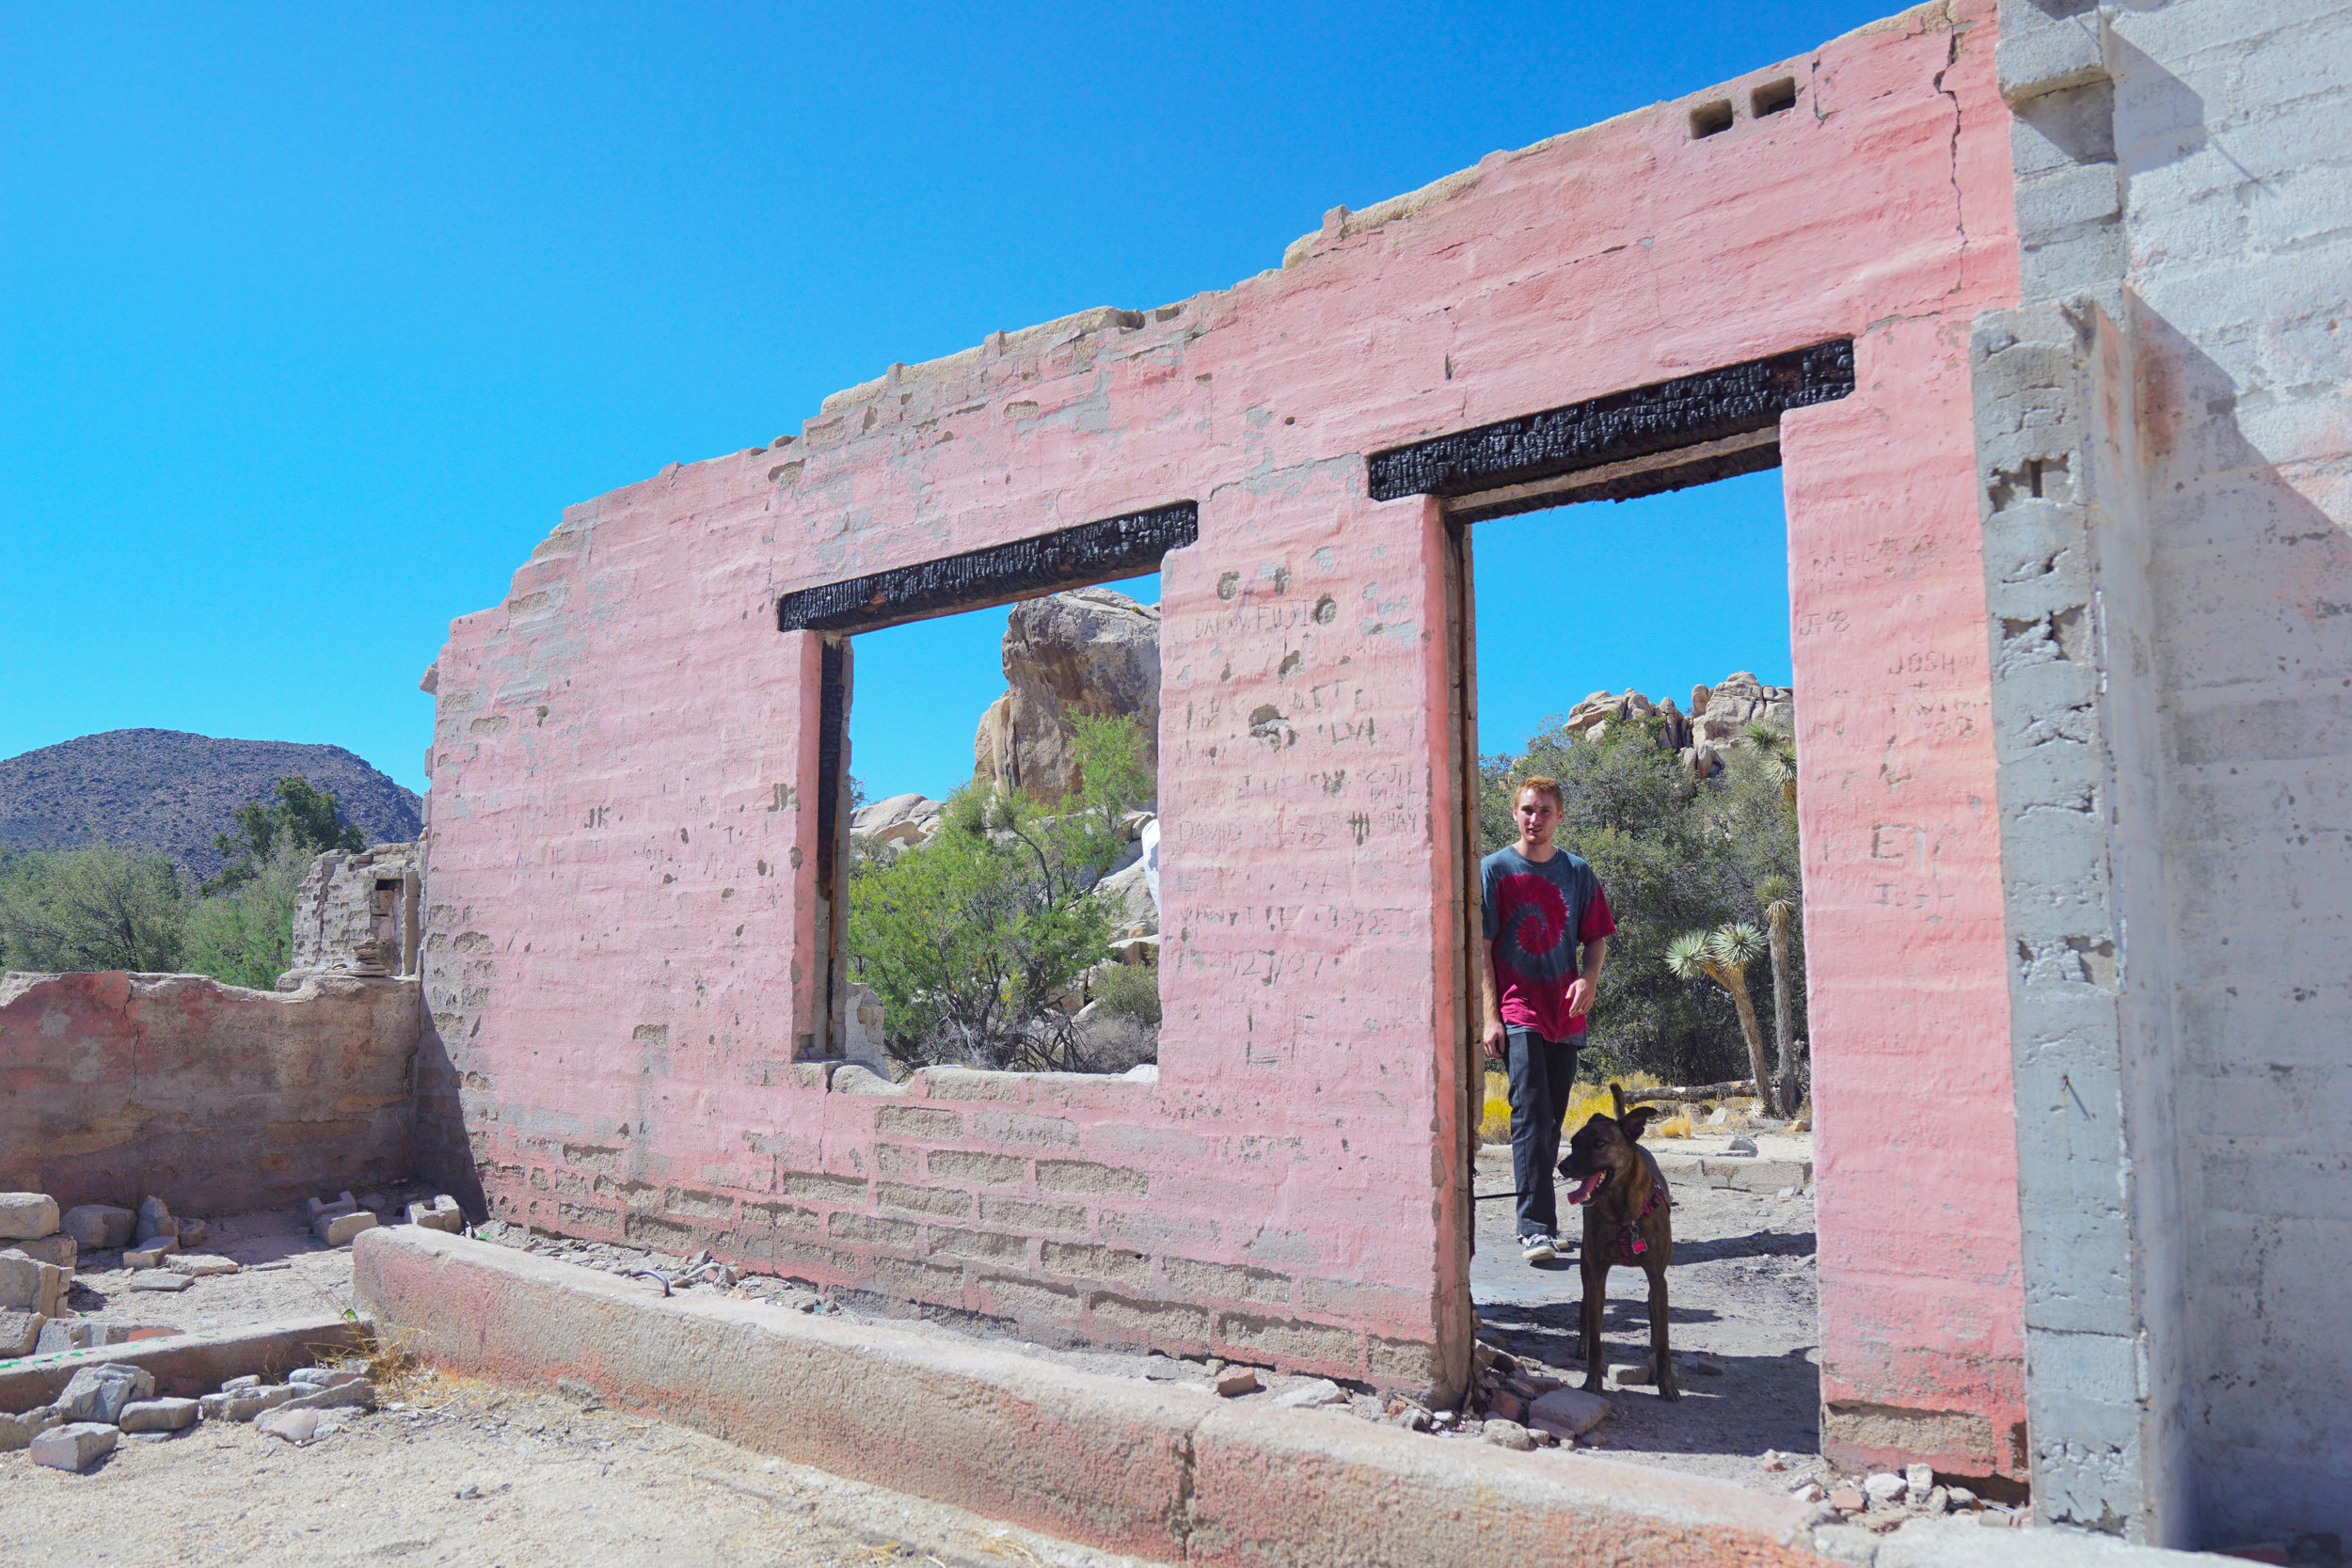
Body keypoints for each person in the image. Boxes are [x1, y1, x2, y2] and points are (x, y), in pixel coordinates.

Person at [1479, 775, 1615, 1263]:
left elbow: (1596, 935)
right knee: (1530, 1115)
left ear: (1559, 817)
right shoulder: (1494, 870)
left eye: (1543, 811)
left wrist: (1589, 978)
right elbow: (1484, 947)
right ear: (1514, 814)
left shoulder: (1577, 873)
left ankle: (1546, 1224)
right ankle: (1534, 1227)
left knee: (1551, 1121)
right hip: (1519, 1011)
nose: (1534, 819)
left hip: (1566, 1015)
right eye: (1527, 810)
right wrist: (1490, 1017)